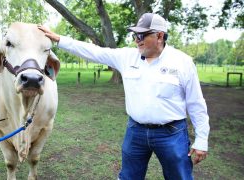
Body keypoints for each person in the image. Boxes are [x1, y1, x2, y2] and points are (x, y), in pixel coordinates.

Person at [39, 12, 210, 180]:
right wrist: (60, 40)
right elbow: (94, 52)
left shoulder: (182, 62)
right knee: (129, 176)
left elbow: (196, 103)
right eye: (135, 35)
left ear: (160, 36)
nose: (137, 40)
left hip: (171, 134)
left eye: (142, 35)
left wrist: (201, 139)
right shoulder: (127, 57)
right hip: (136, 131)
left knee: (179, 177)